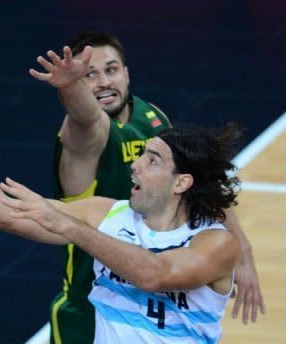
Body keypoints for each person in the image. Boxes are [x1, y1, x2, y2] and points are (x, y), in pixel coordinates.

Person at [0, 67, 240, 342]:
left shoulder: (215, 243)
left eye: (152, 161)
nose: (135, 164)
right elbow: (0, 214)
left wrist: (69, 225)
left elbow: (154, 274)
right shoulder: (106, 213)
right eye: (140, 155)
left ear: (181, 182)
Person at [29, 32, 264, 342]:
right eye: (89, 75)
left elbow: (200, 177)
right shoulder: (88, 132)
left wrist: (243, 251)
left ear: (127, 73)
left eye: (110, 70)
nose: (103, 82)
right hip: (91, 303)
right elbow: (85, 115)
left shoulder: (152, 118)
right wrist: (71, 86)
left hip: (151, 296)